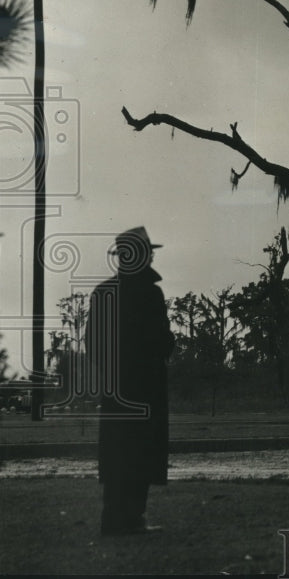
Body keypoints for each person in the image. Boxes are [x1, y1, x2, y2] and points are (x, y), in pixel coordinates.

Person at [85, 226, 174, 536]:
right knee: (143, 453)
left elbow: (92, 344)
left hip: (117, 390)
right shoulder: (151, 293)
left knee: (118, 453)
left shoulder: (103, 292)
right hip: (146, 388)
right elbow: (163, 343)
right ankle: (134, 517)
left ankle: (113, 518)